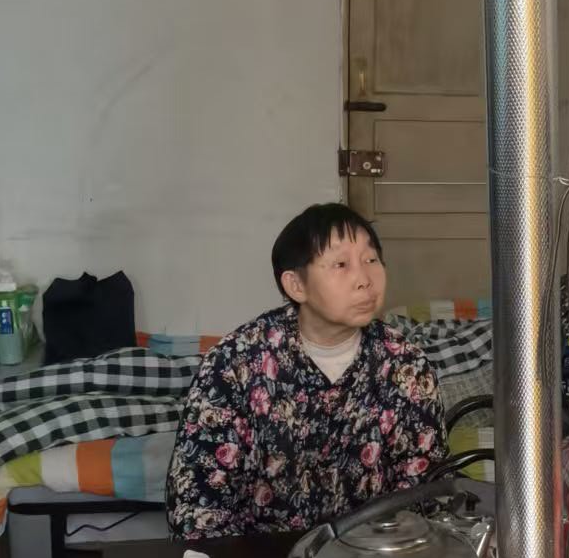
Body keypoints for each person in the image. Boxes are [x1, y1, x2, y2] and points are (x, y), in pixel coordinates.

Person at [166, 202, 447, 540]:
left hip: (374, 557)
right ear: (296, 285)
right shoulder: (235, 363)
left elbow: (424, 493)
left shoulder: (406, 365)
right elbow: (197, 501)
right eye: (341, 264)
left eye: (371, 260)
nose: (364, 280)